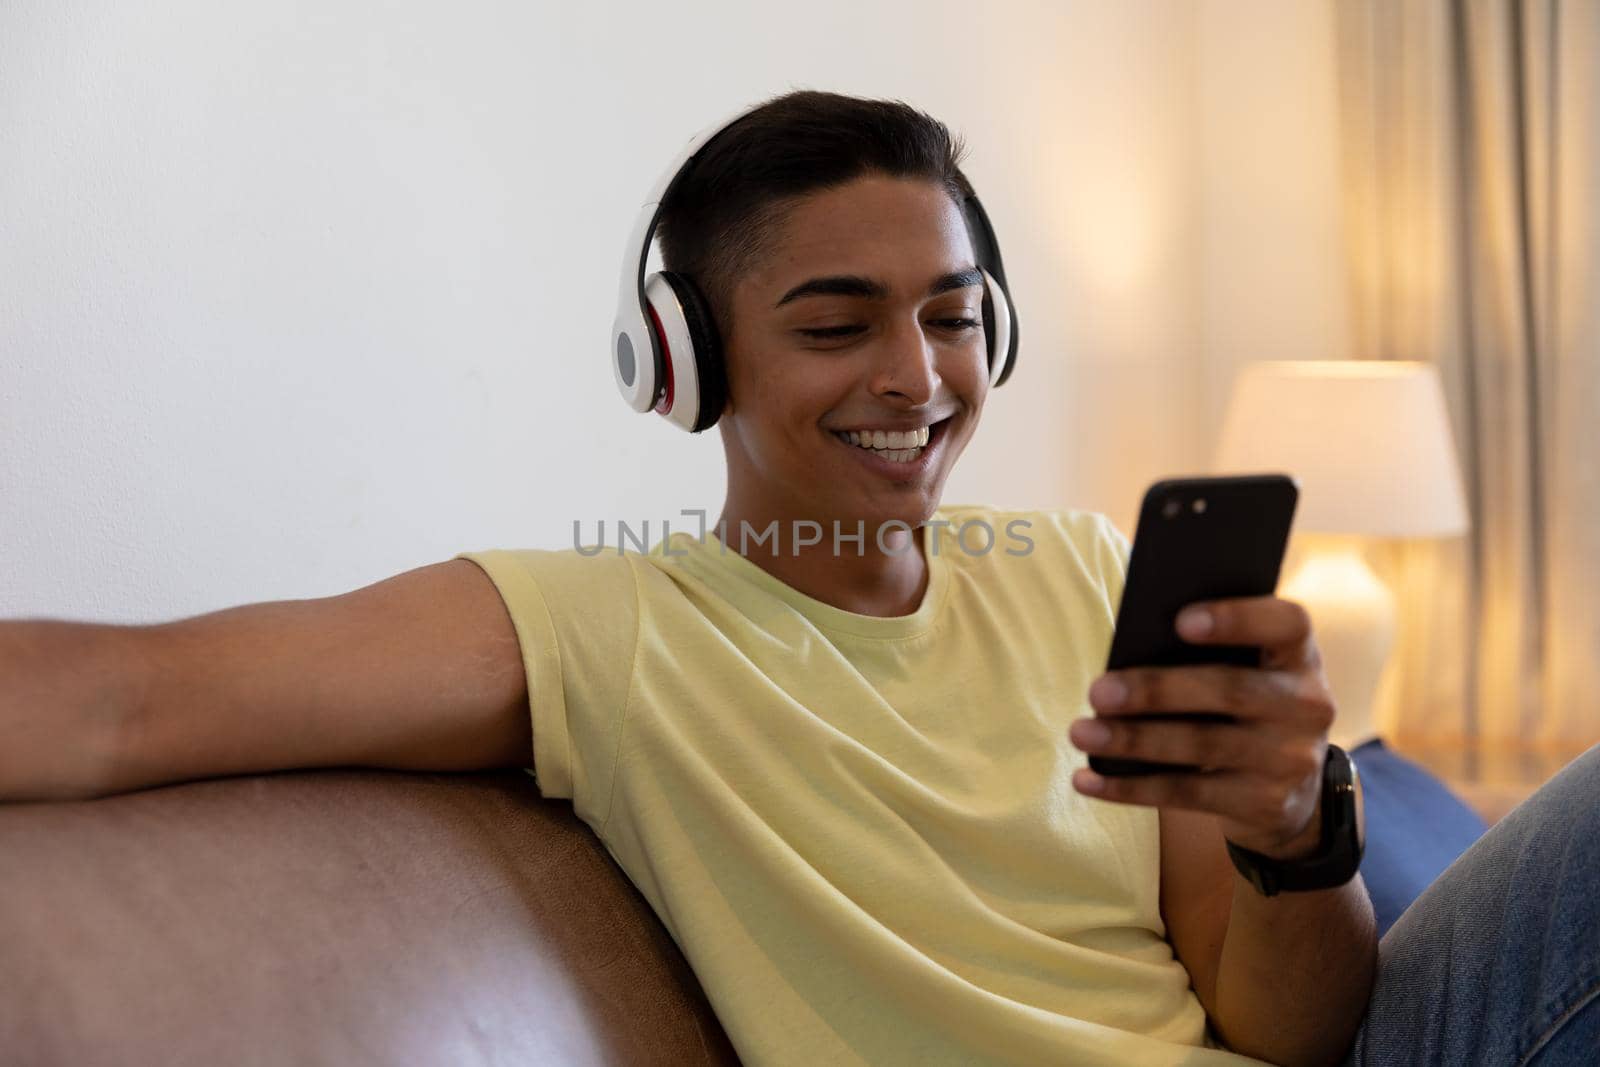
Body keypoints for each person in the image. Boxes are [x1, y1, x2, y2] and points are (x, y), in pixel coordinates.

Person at [1, 89, 1595, 1067]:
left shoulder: (1081, 571)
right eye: (836, 324)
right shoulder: (602, 629)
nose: (916, 374)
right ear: (684, 368)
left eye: (956, 316)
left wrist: (1296, 837)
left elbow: (1284, 1030)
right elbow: (126, 699)